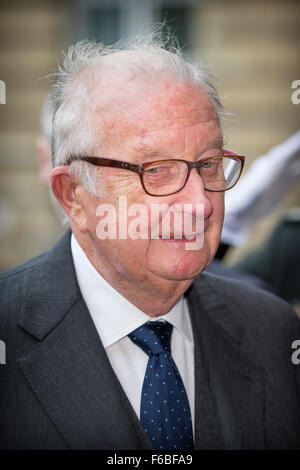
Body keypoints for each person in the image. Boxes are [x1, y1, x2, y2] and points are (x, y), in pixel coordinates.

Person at [1, 33, 300, 450]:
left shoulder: (274, 332)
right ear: (73, 195)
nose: (200, 204)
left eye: (209, 165)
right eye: (156, 170)